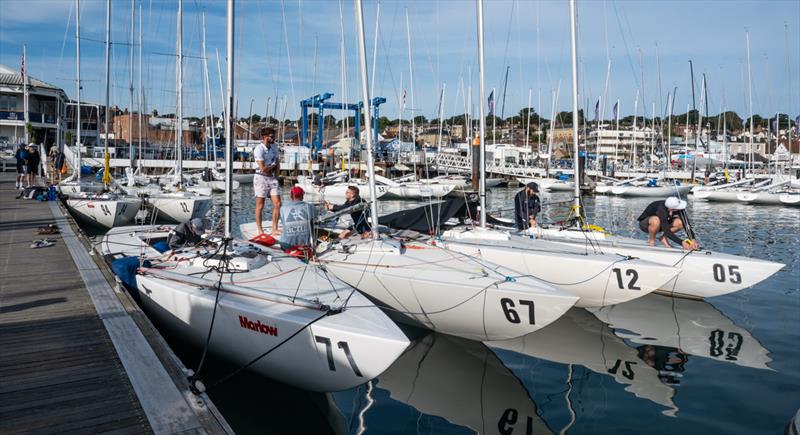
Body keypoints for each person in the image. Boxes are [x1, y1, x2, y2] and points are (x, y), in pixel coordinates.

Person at [253, 127, 281, 236]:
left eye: (274, 136)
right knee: (260, 205)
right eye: (271, 136)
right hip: (261, 178)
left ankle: (275, 228)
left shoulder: (274, 147)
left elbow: (278, 163)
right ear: (264, 137)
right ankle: (259, 230)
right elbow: (263, 168)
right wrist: (272, 166)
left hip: (272, 178)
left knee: (278, 203)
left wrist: (277, 176)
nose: (273, 138)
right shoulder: (259, 149)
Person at [279, 186, 317, 251]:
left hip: (287, 246)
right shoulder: (310, 206)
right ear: (302, 196)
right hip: (305, 246)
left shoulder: (283, 208)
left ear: (291, 196)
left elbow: (283, 223)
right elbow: (314, 221)